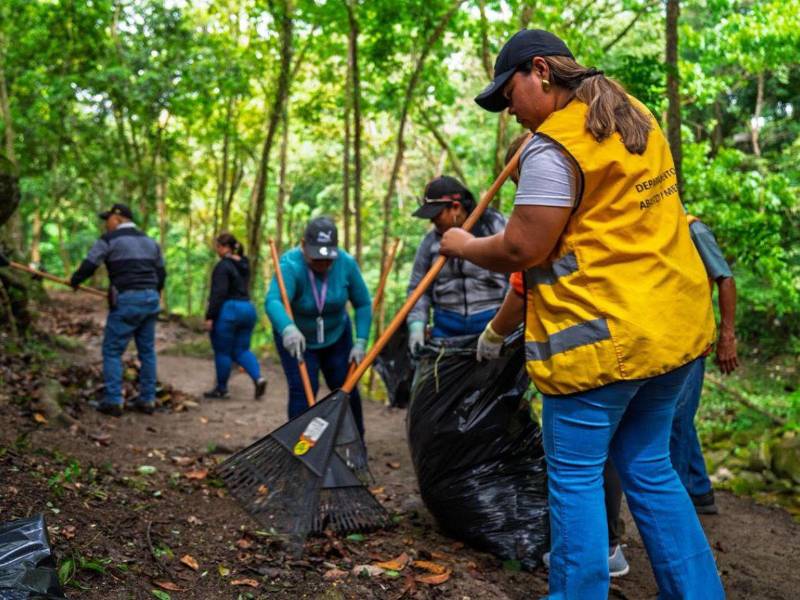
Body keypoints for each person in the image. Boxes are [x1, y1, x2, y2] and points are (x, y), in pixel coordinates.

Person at [440, 29, 724, 598]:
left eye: (509, 94)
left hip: (601, 346)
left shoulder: (556, 145)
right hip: (671, 332)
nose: (510, 111)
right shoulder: (631, 115)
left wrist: (462, 245)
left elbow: (523, 247)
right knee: (649, 467)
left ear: (540, 71)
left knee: (574, 480)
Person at [477, 134, 629, 578]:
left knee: (576, 467)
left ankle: (583, 566)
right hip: (633, 344)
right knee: (629, 460)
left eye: (523, 181)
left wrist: (492, 332)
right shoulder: (602, 204)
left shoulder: (552, 218)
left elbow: (520, 270)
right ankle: (611, 549)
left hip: (585, 354)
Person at [265, 216, 371, 436]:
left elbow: (362, 303)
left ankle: (354, 444)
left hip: (337, 336)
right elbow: (273, 300)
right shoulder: (290, 265)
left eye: (328, 259)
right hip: (298, 338)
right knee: (303, 392)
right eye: (317, 258)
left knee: (345, 389)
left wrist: (361, 340)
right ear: (303, 245)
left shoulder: (346, 263)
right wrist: (287, 328)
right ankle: (300, 449)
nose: (323, 264)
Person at [70, 203, 166, 417]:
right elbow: (161, 273)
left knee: (112, 351)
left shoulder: (109, 240)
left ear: (117, 219)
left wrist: (75, 280)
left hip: (127, 298)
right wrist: (153, 293)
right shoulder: (150, 242)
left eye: (108, 219)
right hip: (150, 298)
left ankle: (114, 400)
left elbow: (90, 263)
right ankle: (148, 399)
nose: (106, 224)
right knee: (147, 351)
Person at [671, 216, 738, 514]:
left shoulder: (692, 229)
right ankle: (700, 491)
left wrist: (727, 336)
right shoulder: (656, 231)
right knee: (680, 417)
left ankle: (680, 499)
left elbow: (725, 278)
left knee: (675, 419)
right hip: (667, 343)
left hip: (693, 341)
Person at [406, 175, 507, 353]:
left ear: (456, 207)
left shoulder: (493, 227)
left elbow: (518, 274)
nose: (432, 221)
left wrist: (504, 324)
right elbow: (418, 289)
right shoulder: (430, 242)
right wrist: (416, 325)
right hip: (445, 330)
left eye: (437, 215)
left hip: (492, 322)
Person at [203, 232, 267, 400]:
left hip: (229, 310)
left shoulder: (223, 266)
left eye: (218, 246)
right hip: (248, 308)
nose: (216, 249)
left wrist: (210, 316)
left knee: (222, 351)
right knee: (242, 349)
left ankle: (222, 388)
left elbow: (218, 293)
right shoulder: (244, 264)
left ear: (224, 247)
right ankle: (258, 378)